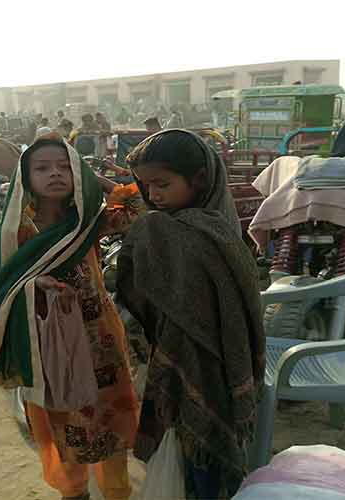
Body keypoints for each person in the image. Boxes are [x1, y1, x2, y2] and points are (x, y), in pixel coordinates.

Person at [0, 132, 142, 500]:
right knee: (62, 420)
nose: (55, 174)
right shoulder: (18, 230)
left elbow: (139, 207)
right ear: (25, 178)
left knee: (109, 418)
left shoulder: (88, 219)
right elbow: (0, 286)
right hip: (48, 341)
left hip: (99, 338)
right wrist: (33, 284)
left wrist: (97, 179)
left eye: (65, 166)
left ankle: (116, 493)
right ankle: (73, 492)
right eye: (42, 168)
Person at [117, 130, 265, 499]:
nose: (154, 196)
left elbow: (138, 289)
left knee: (201, 457)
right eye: (146, 186)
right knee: (196, 456)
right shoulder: (216, 227)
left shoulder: (173, 230)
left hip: (200, 359)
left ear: (199, 179)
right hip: (202, 359)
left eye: (163, 184)